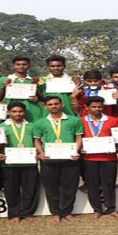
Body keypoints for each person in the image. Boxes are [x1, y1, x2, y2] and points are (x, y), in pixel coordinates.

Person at [34, 95, 84, 223]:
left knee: (70, 187)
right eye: (50, 104)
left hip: (70, 160)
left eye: (56, 104)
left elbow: (78, 138)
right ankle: (55, 212)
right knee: (51, 188)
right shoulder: (40, 122)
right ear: (46, 107)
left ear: (62, 105)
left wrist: (76, 151)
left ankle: (67, 212)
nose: (54, 106)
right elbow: (37, 140)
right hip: (49, 160)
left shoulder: (74, 120)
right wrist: (41, 153)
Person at [0, 102, 40, 223]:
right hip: (9, 163)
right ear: (8, 112)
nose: (17, 114)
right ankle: (14, 213)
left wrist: (39, 153)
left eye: (20, 111)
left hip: (29, 162)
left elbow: (36, 141)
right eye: (14, 111)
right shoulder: (0, 127)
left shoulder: (32, 126)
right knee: (11, 190)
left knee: (30, 189)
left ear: (25, 112)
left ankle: (28, 212)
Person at [79, 96, 118, 218]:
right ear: (87, 107)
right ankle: (97, 209)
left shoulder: (113, 120)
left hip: (109, 158)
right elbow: (77, 137)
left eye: (100, 106)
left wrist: (116, 147)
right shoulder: (80, 121)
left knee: (109, 183)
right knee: (92, 184)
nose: (97, 109)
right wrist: (79, 149)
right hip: (89, 158)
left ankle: (111, 208)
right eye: (94, 107)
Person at [0, 56, 46, 122]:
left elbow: (43, 99)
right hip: (14, 112)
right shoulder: (5, 79)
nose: (21, 66)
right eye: (18, 64)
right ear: (13, 66)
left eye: (24, 64)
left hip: (33, 113)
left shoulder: (34, 80)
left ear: (29, 66)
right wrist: (4, 87)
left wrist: (36, 96)